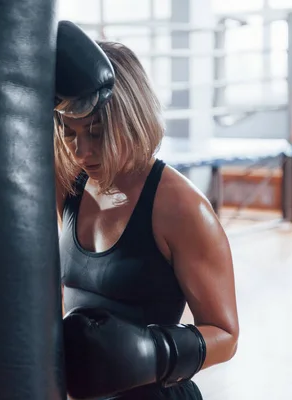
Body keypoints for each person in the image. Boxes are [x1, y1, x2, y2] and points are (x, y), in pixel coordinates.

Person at [54, 36, 239, 400]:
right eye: (69, 132)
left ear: (130, 119)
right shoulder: (69, 184)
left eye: (96, 132)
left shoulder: (181, 207)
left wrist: (152, 353)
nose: (80, 151)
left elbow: (226, 335)